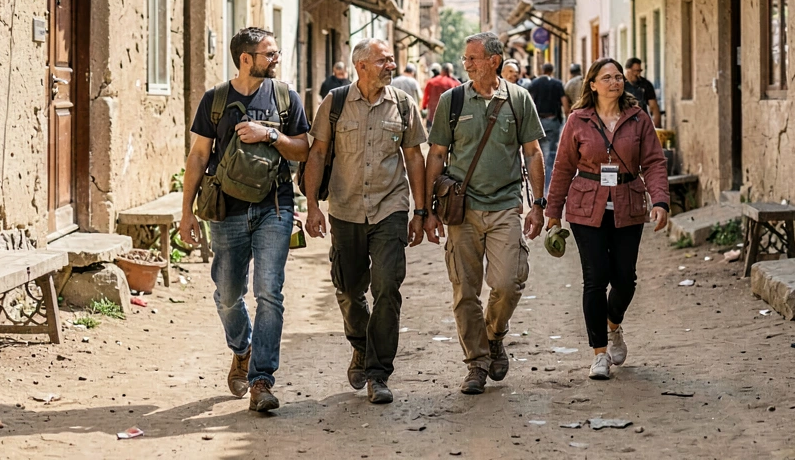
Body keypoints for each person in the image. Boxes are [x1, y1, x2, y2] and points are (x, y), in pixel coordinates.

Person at [179, 27, 311, 413]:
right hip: (227, 210)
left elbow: (303, 149)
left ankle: (261, 380)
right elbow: (198, 156)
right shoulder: (215, 100)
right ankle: (243, 349)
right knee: (227, 294)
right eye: (269, 53)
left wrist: (269, 134)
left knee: (269, 292)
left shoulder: (286, 97)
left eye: (276, 52)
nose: (276, 58)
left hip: (275, 207)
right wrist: (186, 211)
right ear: (246, 59)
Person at [303, 39, 428, 405]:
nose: (391, 66)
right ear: (361, 66)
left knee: (387, 286)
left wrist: (420, 211)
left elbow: (414, 157)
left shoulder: (403, 104)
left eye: (391, 60)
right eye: (383, 60)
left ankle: (378, 372)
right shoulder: (335, 102)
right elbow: (318, 153)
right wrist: (311, 206)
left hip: (390, 208)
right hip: (345, 209)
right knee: (348, 289)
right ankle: (360, 345)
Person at [425, 33, 546, 395]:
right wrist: (427, 210)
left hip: (505, 205)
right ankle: (476, 363)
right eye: (465, 58)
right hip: (462, 210)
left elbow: (533, 152)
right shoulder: (452, 101)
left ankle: (494, 334)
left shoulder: (518, 99)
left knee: (508, 283)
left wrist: (538, 204)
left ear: (494, 61)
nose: (467, 64)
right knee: (465, 291)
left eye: (473, 58)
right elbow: (436, 154)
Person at [545, 58, 669, 381]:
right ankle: (599, 354)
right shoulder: (578, 120)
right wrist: (553, 213)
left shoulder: (638, 118)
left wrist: (660, 201)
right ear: (593, 85)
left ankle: (614, 326)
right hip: (587, 208)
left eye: (618, 77)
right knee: (595, 278)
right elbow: (562, 168)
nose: (615, 82)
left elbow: (654, 162)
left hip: (628, 205)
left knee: (625, 280)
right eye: (607, 77)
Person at [526, 62, 565, 190]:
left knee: (538, 151)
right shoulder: (557, 84)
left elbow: (529, 102)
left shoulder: (534, 84)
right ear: (552, 71)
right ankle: (548, 183)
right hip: (552, 120)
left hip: (537, 121)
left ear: (542, 70)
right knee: (551, 153)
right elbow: (565, 103)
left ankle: (538, 183)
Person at [623, 58, 662, 128]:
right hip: (624, 122)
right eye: (636, 71)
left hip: (641, 123)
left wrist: (657, 126)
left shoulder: (645, 84)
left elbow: (653, 107)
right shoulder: (620, 85)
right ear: (628, 71)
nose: (638, 74)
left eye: (640, 71)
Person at [421, 62, 459, 131]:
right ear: (451, 71)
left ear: (442, 70)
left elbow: (426, 97)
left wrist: (424, 107)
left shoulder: (431, 82)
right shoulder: (455, 83)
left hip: (433, 115)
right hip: (448, 116)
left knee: (431, 133)